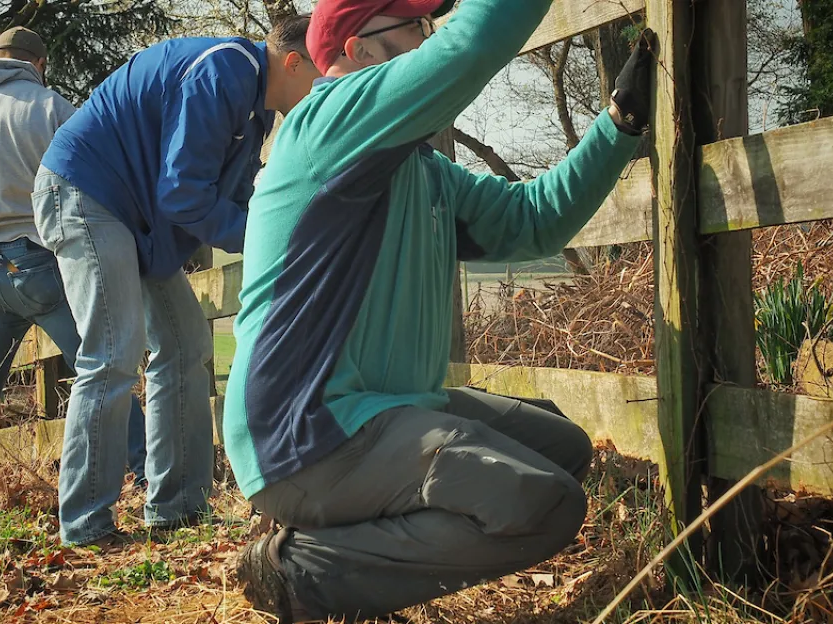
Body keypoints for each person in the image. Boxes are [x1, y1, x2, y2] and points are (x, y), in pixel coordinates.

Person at [223, 0, 657, 618]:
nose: (427, 37)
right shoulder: (327, 123)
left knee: (560, 448)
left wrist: (619, 126)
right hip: (307, 432)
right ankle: (304, 573)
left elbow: (531, 223)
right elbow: (470, 47)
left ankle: (345, 533)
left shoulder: (422, 170)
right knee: (549, 503)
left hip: (381, 412)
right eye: (413, 26)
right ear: (358, 49)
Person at [32, 17, 322, 547]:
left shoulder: (252, 108)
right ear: (295, 62)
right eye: (322, 78)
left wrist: (282, 223)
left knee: (187, 342)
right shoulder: (226, 70)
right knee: (112, 352)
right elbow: (183, 195)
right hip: (87, 192)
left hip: (133, 217)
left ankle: (178, 508)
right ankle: (85, 525)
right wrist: (265, 237)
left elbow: (230, 198)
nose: (322, 93)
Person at [0, 27, 148, 483]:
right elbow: (89, 181)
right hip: (42, 259)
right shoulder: (51, 109)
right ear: (39, 64)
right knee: (99, 367)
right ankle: (150, 474)